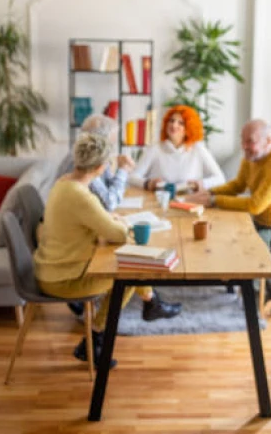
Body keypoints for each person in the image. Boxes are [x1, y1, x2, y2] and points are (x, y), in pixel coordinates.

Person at [34, 133, 182, 367]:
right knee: (130, 275)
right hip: (63, 279)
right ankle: (95, 338)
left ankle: (151, 302)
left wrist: (108, 218)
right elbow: (118, 235)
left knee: (128, 265)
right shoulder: (82, 196)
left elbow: (89, 219)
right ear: (101, 167)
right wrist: (120, 222)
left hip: (51, 268)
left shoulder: (64, 182)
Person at [186, 119, 271, 313]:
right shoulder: (252, 156)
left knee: (246, 252)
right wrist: (209, 194)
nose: (244, 146)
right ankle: (262, 286)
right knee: (226, 236)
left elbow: (255, 205)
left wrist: (214, 200)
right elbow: (238, 185)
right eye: (242, 141)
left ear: (267, 141)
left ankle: (270, 285)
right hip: (259, 221)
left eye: (249, 141)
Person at [57, 114, 140, 318]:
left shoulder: (86, 158)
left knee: (127, 239)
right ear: (99, 142)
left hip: (79, 228)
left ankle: (150, 299)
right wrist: (122, 170)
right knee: (129, 250)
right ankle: (99, 327)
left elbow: (108, 192)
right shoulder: (82, 165)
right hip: (76, 240)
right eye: (112, 140)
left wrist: (116, 170)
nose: (114, 145)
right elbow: (109, 202)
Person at [128, 105, 225, 192]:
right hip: (159, 201)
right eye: (171, 120)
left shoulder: (198, 149)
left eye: (181, 123)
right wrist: (148, 183)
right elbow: (132, 177)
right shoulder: (155, 149)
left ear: (188, 128)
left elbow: (220, 178)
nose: (174, 125)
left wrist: (198, 184)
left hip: (189, 202)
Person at [56, 114, 135, 211]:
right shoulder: (84, 160)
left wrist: (121, 170)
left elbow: (108, 186)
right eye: (111, 143)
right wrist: (123, 170)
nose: (113, 149)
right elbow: (109, 204)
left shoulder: (90, 154)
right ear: (98, 141)